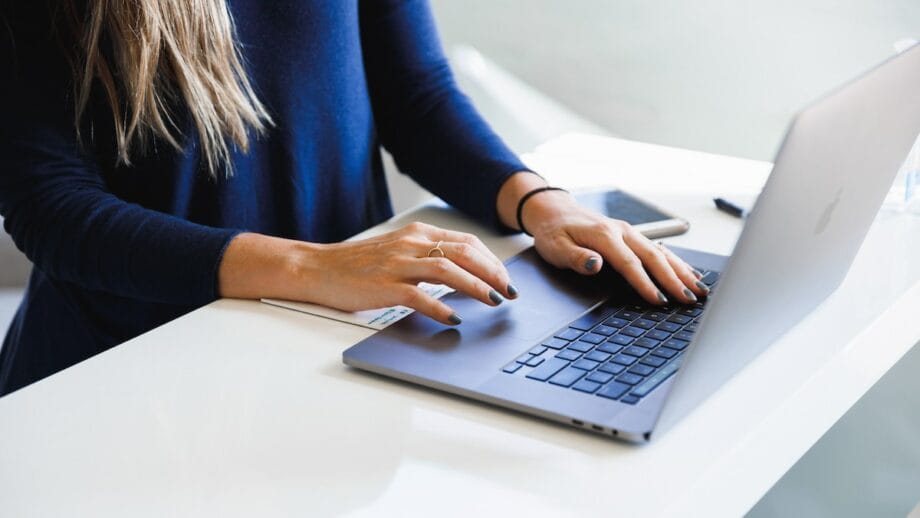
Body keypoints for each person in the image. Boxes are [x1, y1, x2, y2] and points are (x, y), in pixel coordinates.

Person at [0, 0, 708, 396]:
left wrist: (540, 203)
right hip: (131, 374)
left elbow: (414, 92)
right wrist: (314, 269)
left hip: (339, 342)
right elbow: (50, 206)